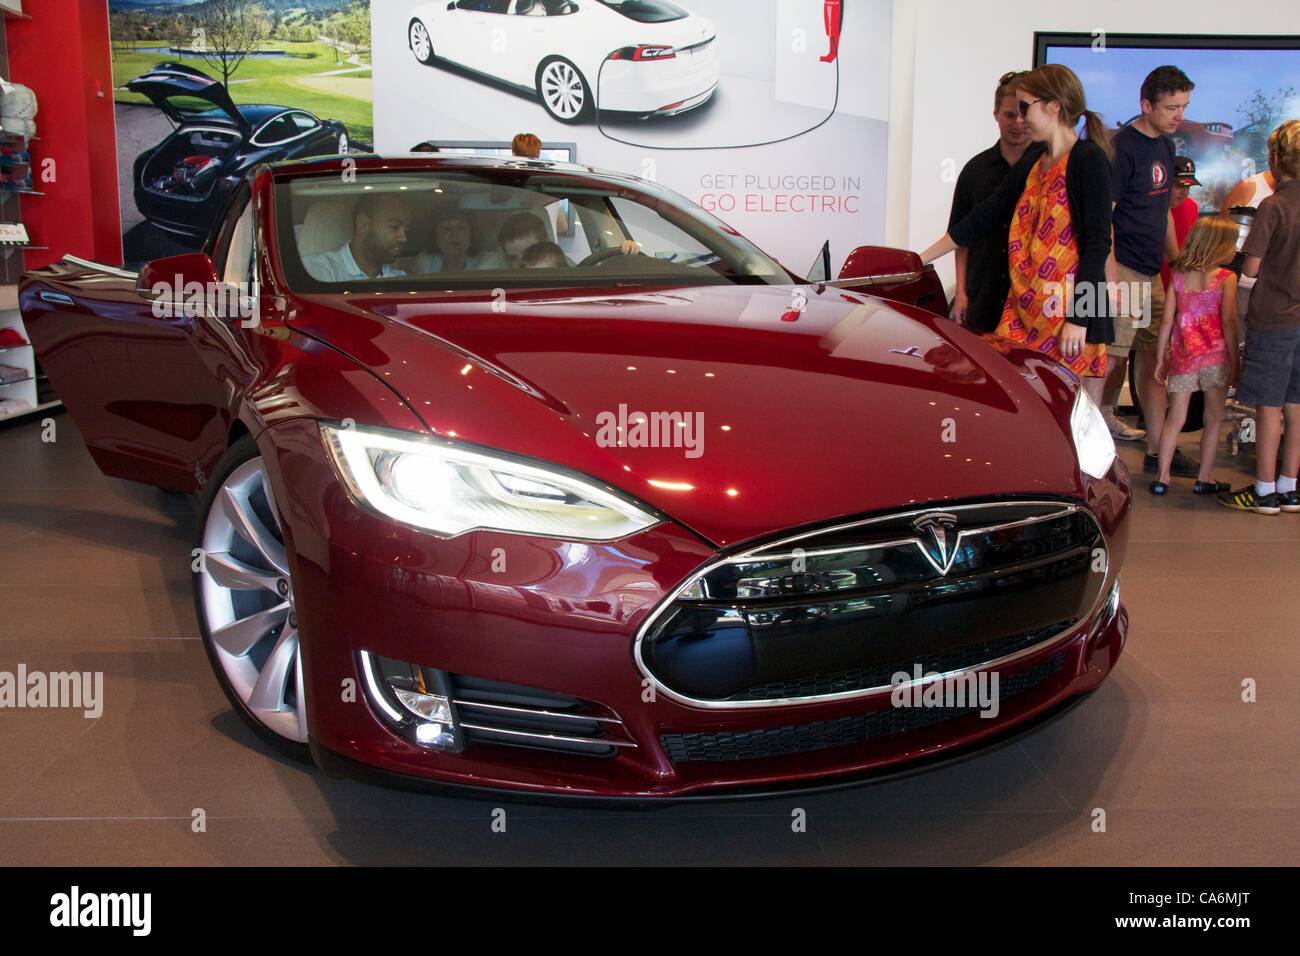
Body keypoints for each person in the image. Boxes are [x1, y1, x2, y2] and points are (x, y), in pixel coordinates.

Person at [921, 64, 1114, 403]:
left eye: (1026, 107)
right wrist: (918, 259)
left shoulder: (1089, 160)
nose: (1021, 118)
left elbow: (1099, 243)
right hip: (1026, 305)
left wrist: (1080, 318)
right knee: (1018, 397)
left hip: (1067, 310)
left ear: (1053, 106)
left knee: (1066, 408)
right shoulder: (1034, 160)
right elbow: (984, 214)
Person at [1104, 65, 1195, 467]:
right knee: (1108, 358)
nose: (1179, 115)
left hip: (1152, 270)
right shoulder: (1121, 147)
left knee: (1155, 358)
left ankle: (1160, 448)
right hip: (1121, 267)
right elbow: (1103, 217)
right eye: (1172, 107)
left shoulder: (1167, 148)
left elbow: (1163, 215)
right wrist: (1107, 274)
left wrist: (1179, 263)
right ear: (1145, 105)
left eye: (1184, 106)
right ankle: (1094, 438)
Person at [1219, 120, 1300, 515]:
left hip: (1274, 318)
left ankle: (1264, 490)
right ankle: (1290, 486)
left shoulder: (1274, 205)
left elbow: (1250, 267)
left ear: (1275, 159)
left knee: (1268, 406)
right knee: (1297, 404)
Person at [1150, 216, 1239, 496]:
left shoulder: (1178, 276)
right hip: (1215, 355)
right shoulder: (1227, 278)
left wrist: (1160, 358)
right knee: (1213, 419)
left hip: (1183, 356)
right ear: (1220, 246)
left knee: (1174, 419)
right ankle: (1204, 478)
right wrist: (1235, 359)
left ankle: (1162, 477)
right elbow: (1228, 322)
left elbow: (1167, 320)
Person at [947, 70, 1033, 333]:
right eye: (1009, 115)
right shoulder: (975, 170)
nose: (1017, 122)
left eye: (1023, 114)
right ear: (996, 114)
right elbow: (960, 239)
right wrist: (961, 293)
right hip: (983, 295)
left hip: (1034, 298)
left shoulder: (1049, 168)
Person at [303, 192, 409, 282]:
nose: (404, 238)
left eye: (406, 229)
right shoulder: (316, 271)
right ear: (363, 223)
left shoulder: (400, 279)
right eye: (394, 227)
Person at [1160, 156, 1200, 292]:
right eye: (1179, 186)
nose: (1185, 192)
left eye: (1188, 186)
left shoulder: (1191, 207)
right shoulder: (1148, 206)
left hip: (1175, 283)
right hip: (1145, 278)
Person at [412, 212, 483, 273]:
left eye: (462, 228)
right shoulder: (425, 262)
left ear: (472, 235)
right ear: (435, 237)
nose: (454, 234)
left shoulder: (484, 263)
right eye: (446, 228)